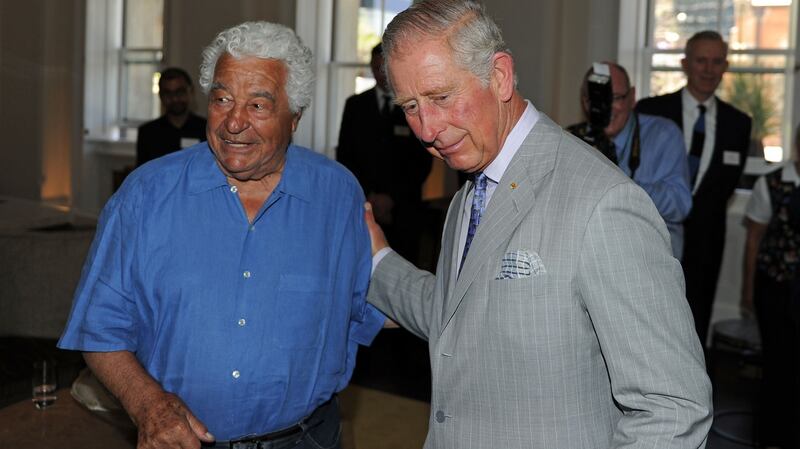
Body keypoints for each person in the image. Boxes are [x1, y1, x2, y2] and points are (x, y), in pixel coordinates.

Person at [364, 1, 712, 448]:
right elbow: (460, 315)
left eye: (441, 97)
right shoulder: (471, 191)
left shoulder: (603, 203)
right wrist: (379, 262)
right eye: (410, 106)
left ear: (501, 76)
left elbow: (673, 410)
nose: (427, 129)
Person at [58, 21, 384, 449]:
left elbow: (368, 309)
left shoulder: (338, 197)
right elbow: (99, 328)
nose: (234, 122)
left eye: (258, 105)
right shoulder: (144, 196)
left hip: (306, 439)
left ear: (295, 117)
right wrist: (148, 405)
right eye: (222, 99)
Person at [637, 30, 752, 345]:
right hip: (653, 235)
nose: (708, 69)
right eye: (701, 60)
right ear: (685, 64)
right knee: (647, 320)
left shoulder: (738, 124)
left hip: (707, 242)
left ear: (725, 66)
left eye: (716, 62)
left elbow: (726, 185)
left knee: (695, 324)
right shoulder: (650, 112)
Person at [568, 62, 692, 259]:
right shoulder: (572, 141)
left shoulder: (663, 135)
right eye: (598, 99)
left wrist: (617, 182)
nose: (607, 108)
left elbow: (680, 205)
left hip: (649, 261)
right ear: (585, 102)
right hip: (592, 259)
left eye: (615, 98)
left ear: (632, 97)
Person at [337, 43, 433, 264]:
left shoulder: (413, 106)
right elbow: (345, 156)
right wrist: (369, 195)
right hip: (363, 206)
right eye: (376, 67)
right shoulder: (355, 105)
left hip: (404, 209)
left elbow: (422, 161)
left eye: (385, 68)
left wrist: (392, 198)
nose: (381, 74)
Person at [741, 127, 800, 449]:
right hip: (776, 288)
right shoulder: (772, 183)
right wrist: (747, 292)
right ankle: (770, 437)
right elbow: (753, 241)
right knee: (778, 365)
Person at [136, 67, 207, 166]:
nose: (174, 98)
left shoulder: (207, 129)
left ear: (191, 92)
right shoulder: (148, 133)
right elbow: (142, 175)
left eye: (180, 92)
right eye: (167, 93)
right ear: (160, 96)